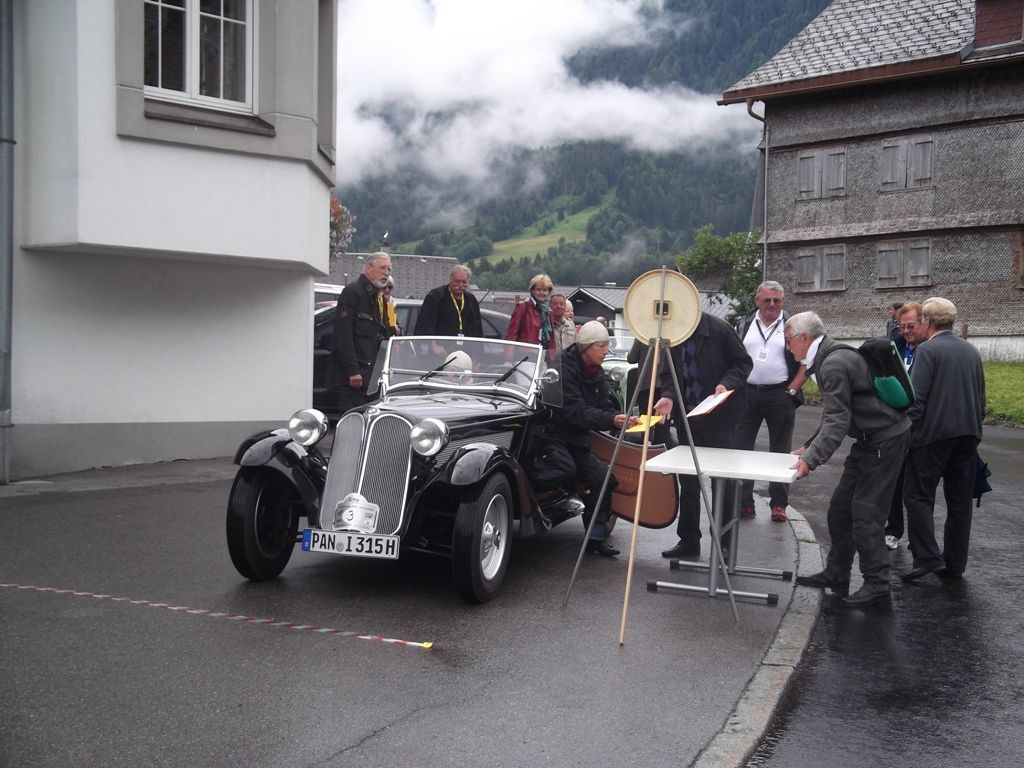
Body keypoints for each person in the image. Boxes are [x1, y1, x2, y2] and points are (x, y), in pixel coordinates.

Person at [788, 311, 910, 607]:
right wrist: (809, 446)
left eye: (789, 340)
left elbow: (838, 420)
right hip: (869, 440)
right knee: (840, 510)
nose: (787, 347)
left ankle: (878, 585)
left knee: (866, 513)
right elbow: (837, 412)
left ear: (804, 338)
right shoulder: (829, 355)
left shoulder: (832, 363)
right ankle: (837, 573)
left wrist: (811, 460)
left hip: (884, 439)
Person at [653, 313, 752, 559]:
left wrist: (726, 383)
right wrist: (668, 396)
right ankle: (688, 540)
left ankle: (724, 543)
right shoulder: (673, 333)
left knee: (724, 482)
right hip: (689, 417)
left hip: (722, 417)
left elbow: (742, 363)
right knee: (688, 481)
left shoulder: (720, 329)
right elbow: (669, 375)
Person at [901, 297, 986, 582]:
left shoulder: (928, 351)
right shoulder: (971, 351)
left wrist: (906, 434)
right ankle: (955, 563)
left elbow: (917, 398)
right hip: (967, 435)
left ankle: (926, 557)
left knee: (918, 496)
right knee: (959, 502)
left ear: (927, 321)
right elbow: (981, 397)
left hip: (932, 437)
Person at [537, 321, 637, 556]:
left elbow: (602, 406)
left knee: (602, 478)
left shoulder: (596, 371)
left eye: (607, 346)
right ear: (586, 347)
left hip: (577, 439)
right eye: (601, 346)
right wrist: (611, 420)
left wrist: (619, 417)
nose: (606, 351)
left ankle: (596, 537)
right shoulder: (562, 368)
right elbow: (574, 412)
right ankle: (541, 509)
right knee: (564, 468)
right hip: (552, 435)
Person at [733, 281, 807, 523]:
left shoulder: (794, 326)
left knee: (780, 452)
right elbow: (733, 358)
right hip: (747, 393)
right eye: (767, 300)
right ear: (757, 301)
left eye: (777, 300)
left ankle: (779, 504)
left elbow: (806, 361)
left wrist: (792, 390)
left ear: (783, 301)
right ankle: (745, 502)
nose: (772, 305)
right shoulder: (743, 324)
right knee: (742, 449)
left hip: (779, 394)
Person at [884, 301, 926, 550]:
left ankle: (920, 541)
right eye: (902, 327)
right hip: (896, 425)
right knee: (895, 482)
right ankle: (893, 530)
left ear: (924, 323)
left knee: (917, 487)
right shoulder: (897, 348)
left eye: (911, 326)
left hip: (920, 428)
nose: (907, 331)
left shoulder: (929, 350)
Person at [331, 252, 394, 415]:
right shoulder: (353, 292)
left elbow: (384, 334)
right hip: (355, 378)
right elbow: (343, 336)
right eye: (382, 268)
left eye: (389, 269)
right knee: (354, 422)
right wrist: (353, 371)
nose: (386, 273)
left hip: (373, 377)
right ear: (368, 267)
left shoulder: (379, 297)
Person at [414, 265, 483, 347]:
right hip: (440, 351)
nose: (461, 285)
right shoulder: (435, 297)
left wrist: (477, 356)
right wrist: (433, 346)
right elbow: (424, 325)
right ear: (450, 280)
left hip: (465, 351)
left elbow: (477, 329)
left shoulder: (471, 300)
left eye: (464, 282)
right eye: (457, 281)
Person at [506, 274, 553, 351]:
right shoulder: (523, 307)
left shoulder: (548, 311)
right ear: (532, 291)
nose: (541, 292)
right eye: (538, 289)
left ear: (548, 292)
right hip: (525, 356)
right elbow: (512, 334)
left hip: (543, 355)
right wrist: (508, 359)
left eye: (544, 290)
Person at [549, 293, 577, 359]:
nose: (558, 306)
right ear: (549, 306)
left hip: (568, 364)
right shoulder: (545, 325)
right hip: (551, 364)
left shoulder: (571, 325)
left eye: (561, 304)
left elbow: (575, 347)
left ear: (565, 307)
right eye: (555, 304)